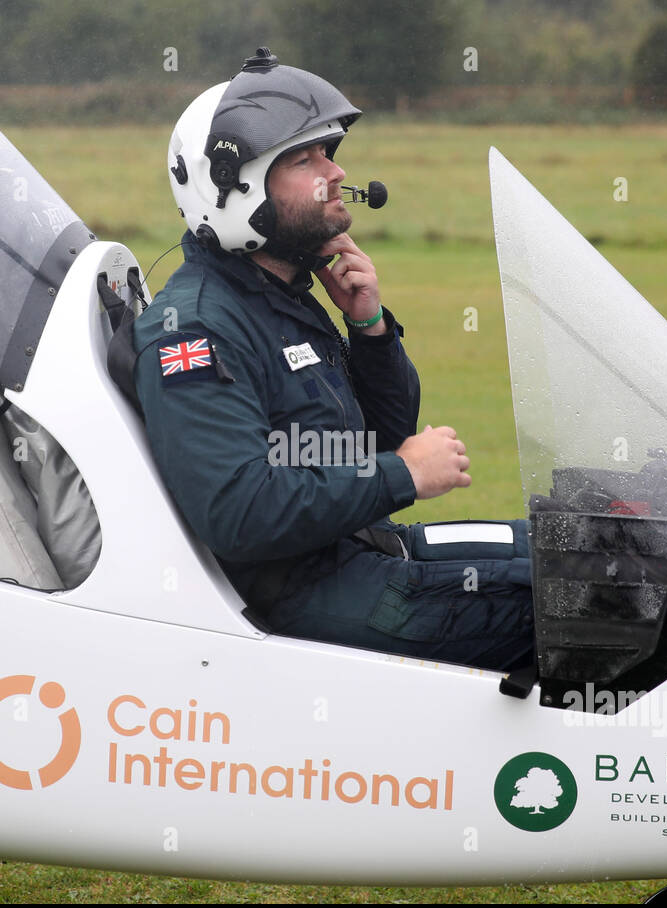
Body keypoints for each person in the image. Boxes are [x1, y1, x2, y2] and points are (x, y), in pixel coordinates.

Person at [129, 49, 533, 673]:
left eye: (329, 151)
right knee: (568, 609)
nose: (337, 172)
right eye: (305, 159)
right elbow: (239, 511)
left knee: (577, 550)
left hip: (359, 553)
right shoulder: (199, 325)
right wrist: (401, 474)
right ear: (234, 187)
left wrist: (368, 326)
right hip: (302, 596)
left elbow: (379, 436)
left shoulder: (282, 294)